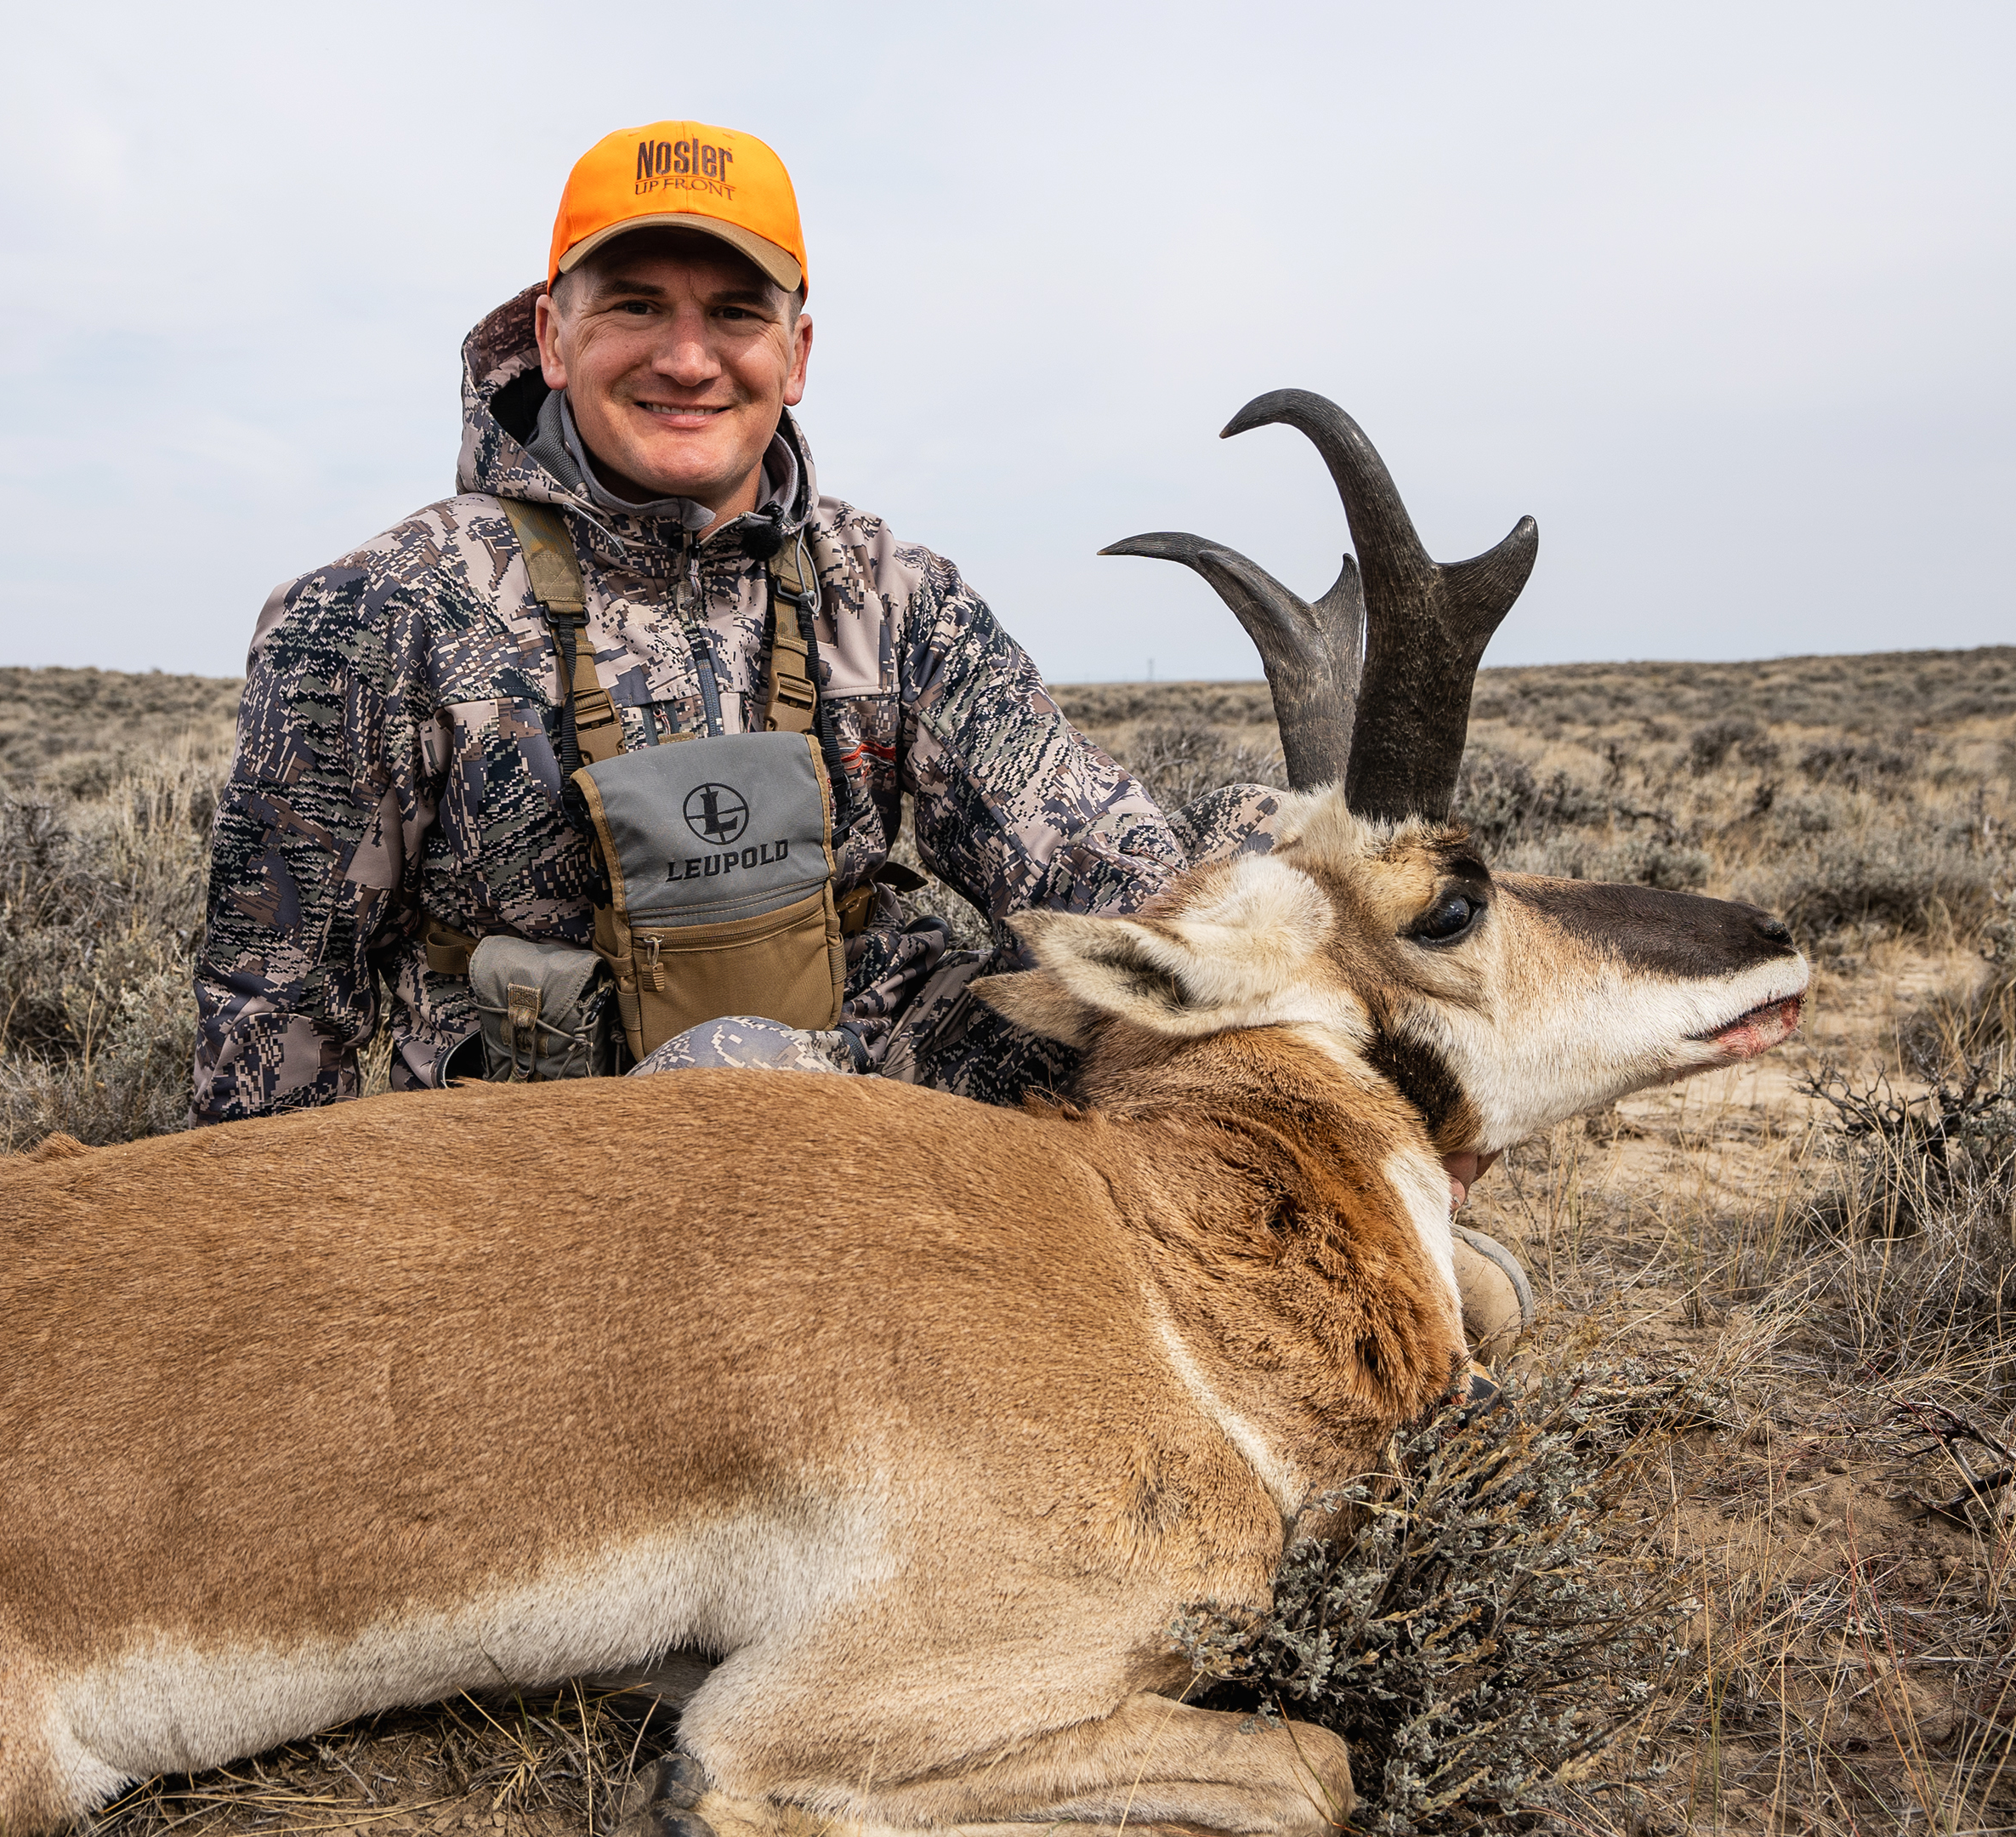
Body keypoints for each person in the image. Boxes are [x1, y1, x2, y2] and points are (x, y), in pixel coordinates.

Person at [187, 120, 1530, 1344]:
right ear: (552, 333)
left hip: (870, 1112)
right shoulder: (376, 614)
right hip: (533, 1164)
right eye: (634, 307)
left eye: (734, 312)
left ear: (798, 350)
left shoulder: (891, 593)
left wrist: (1348, 999)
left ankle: (1337, 1258)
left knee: (1148, 1027)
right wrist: (266, 1301)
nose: (688, 356)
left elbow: (1105, 873)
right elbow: (274, 1011)